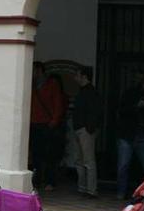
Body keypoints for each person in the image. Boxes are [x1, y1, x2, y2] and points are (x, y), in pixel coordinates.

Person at [116, 71, 144, 200]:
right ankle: (121, 192)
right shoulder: (131, 93)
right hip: (128, 133)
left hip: (141, 133)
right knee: (123, 165)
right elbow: (122, 110)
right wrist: (136, 106)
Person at [29, 61, 67, 191]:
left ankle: (50, 181)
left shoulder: (52, 84)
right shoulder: (31, 84)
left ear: (39, 70)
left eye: (33, 70)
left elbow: (58, 104)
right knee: (36, 155)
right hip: (34, 124)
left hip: (47, 124)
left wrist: (54, 122)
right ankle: (37, 181)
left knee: (50, 155)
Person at [72, 66, 102, 198]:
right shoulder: (84, 91)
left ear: (84, 76)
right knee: (80, 160)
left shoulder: (91, 92)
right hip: (80, 128)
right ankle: (83, 188)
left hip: (85, 129)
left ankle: (91, 190)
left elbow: (95, 112)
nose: (75, 77)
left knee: (88, 161)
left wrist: (89, 128)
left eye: (77, 75)